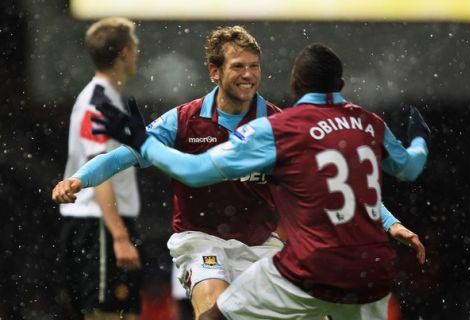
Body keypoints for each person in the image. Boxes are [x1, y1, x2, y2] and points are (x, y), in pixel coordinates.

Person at [52, 27, 426, 319]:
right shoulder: (184, 119)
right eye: (238, 67)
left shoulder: (280, 124)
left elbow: (336, 183)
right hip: (200, 240)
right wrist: (79, 180)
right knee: (212, 305)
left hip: (260, 245)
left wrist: (389, 222)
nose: (248, 75)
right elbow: (127, 155)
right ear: (214, 71)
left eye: (254, 66)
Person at [56, 17, 142, 320]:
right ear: (124, 52)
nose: (137, 53)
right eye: (135, 47)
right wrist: (119, 235)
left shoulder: (106, 99)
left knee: (117, 312)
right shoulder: (98, 101)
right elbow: (97, 168)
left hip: (103, 224)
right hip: (101, 226)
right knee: (107, 314)